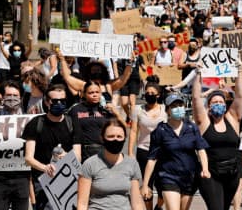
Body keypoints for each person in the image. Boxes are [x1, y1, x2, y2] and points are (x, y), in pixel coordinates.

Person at [141, 93, 210, 210]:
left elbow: (201, 149)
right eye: (174, 106)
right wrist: (145, 184)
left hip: (189, 178)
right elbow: (152, 159)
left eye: (180, 105)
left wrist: (205, 168)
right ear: (167, 110)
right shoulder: (161, 130)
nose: (178, 108)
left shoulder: (191, 128)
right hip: (168, 177)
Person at [192, 63, 242, 210]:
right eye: (214, 102)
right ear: (208, 106)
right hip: (211, 173)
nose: (218, 104)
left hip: (232, 173)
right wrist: (198, 75)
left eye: (221, 102)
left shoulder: (232, 119)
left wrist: (239, 72)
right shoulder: (204, 122)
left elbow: (240, 96)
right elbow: (196, 98)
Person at [22, 84, 83, 210]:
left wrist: (67, 156)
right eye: (55, 101)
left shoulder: (72, 123)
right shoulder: (36, 124)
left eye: (62, 101)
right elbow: (28, 158)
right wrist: (45, 168)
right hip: (44, 181)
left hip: (68, 181)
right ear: (47, 102)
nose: (59, 103)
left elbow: (78, 155)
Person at [77, 119, 145, 210]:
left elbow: (136, 202)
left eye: (119, 136)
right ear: (102, 138)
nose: (115, 140)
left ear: (125, 138)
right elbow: (82, 203)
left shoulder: (132, 164)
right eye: (111, 136)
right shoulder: (90, 164)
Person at [0, 81, 30, 210]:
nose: (12, 98)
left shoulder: (29, 119)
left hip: (22, 176)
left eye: (15, 95)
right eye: (8, 95)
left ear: (21, 98)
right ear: (2, 96)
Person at [129, 82, 167, 210]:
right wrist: (130, 152)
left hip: (163, 153)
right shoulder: (137, 110)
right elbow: (134, 131)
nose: (149, 95)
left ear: (158, 95)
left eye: (152, 93)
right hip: (144, 151)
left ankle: (159, 206)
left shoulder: (165, 109)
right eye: (147, 93)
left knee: (163, 187)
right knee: (147, 185)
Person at [68, 81, 127, 159]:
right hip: (83, 152)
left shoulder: (106, 109)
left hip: (104, 151)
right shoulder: (76, 109)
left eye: (97, 92)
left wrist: (116, 112)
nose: (95, 95)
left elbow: (123, 127)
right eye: (91, 93)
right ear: (84, 94)